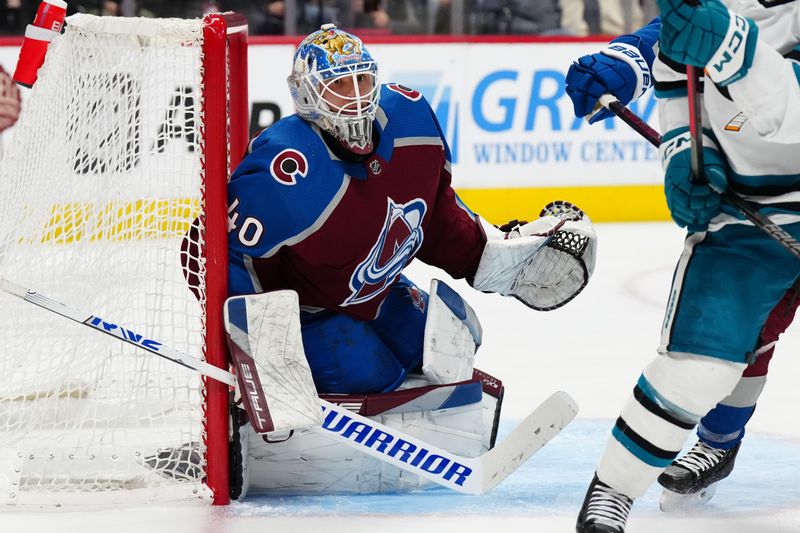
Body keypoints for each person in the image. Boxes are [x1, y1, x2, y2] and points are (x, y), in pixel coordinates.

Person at [222, 23, 596, 496]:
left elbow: (437, 214)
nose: (355, 99)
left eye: (361, 80)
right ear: (307, 97)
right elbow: (226, 258)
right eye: (339, 86)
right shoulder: (287, 169)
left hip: (375, 291)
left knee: (458, 342)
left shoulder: (412, 118)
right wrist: (261, 357)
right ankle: (288, 446)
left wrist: (498, 258)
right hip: (307, 313)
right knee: (373, 372)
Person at [564, 0, 800, 530]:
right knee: (701, 361)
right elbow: (680, 94)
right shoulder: (701, 11)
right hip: (748, 214)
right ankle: (617, 490)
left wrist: (737, 53)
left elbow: (793, 119)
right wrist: (686, 159)